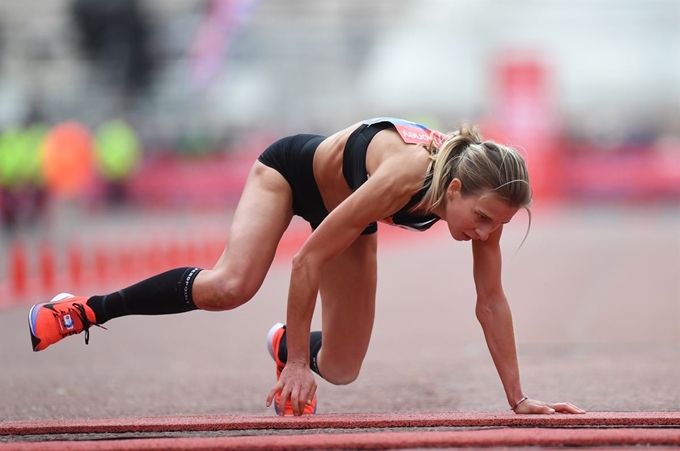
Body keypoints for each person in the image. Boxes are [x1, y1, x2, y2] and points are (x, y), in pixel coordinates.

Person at [28, 117, 585, 416]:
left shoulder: (483, 206)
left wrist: (519, 400)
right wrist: (299, 363)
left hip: (352, 211)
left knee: (341, 368)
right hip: (289, 173)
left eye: (498, 227)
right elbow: (309, 256)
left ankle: (282, 344)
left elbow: (490, 302)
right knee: (230, 286)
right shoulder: (404, 175)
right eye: (482, 219)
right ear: (455, 187)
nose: (484, 234)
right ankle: (83, 309)